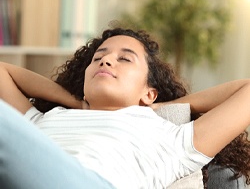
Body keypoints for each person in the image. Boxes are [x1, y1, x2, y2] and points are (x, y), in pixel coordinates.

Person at [0, 27, 249, 189]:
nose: (105, 60)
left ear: (149, 92)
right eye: (97, 58)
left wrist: (166, 105)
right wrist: (74, 101)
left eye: (125, 58)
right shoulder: (46, 120)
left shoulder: (168, 138)